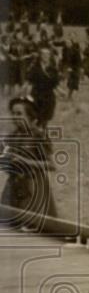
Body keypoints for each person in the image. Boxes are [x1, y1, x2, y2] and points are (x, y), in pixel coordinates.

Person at [0, 95, 56, 230]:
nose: (15, 117)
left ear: (30, 116)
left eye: (19, 113)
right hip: (13, 186)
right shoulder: (13, 136)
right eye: (13, 113)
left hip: (33, 186)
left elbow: (51, 165)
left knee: (34, 227)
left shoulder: (38, 136)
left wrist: (25, 161)